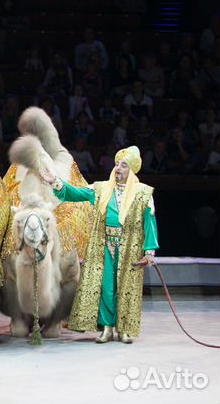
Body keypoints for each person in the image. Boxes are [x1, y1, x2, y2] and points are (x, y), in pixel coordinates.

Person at [40, 146, 159, 343]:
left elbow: (149, 223)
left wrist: (149, 252)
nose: (118, 168)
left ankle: (125, 329)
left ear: (132, 169)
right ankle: (107, 328)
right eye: (116, 164)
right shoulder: (101, 188)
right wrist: (56, 182)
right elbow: (75, 194)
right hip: (104, 245)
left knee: (127, 288)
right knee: (106, 287)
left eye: (123, 165)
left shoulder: (143, 194)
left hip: (130, 247)